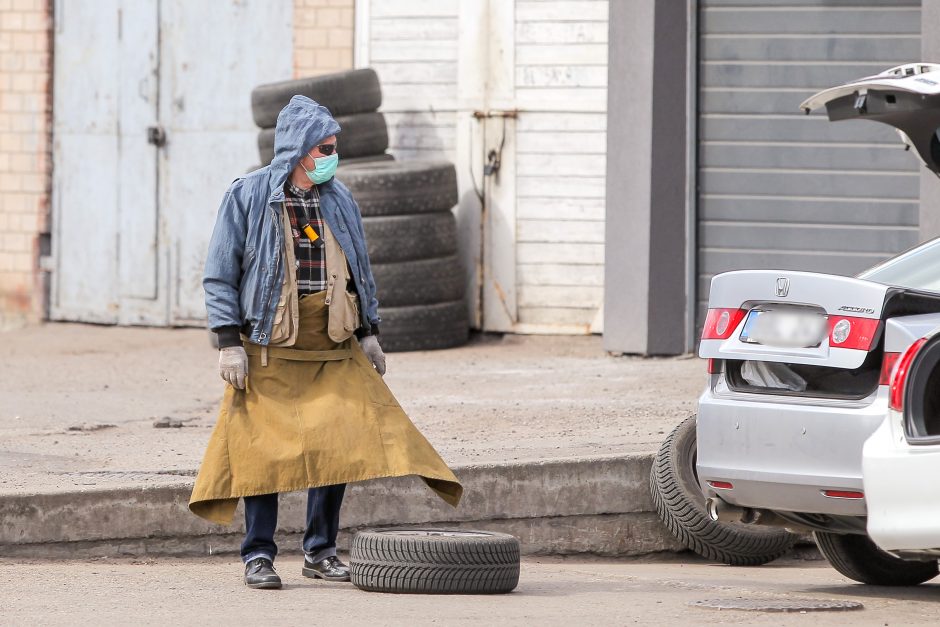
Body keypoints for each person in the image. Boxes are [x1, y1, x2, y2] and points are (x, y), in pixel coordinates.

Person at [190, 96, 462, 590]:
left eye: (334, 148)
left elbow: (360, 271)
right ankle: (258, 555)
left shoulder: (338, 198)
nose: (333, 157)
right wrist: (229, 342)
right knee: (262, 456)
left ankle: (320, 551)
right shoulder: (248, 195)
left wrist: (370, 333)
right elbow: (219, 274)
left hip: (331, 346)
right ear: (298, 150)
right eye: (326, 148)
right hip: (270, 348)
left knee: (338, 445)